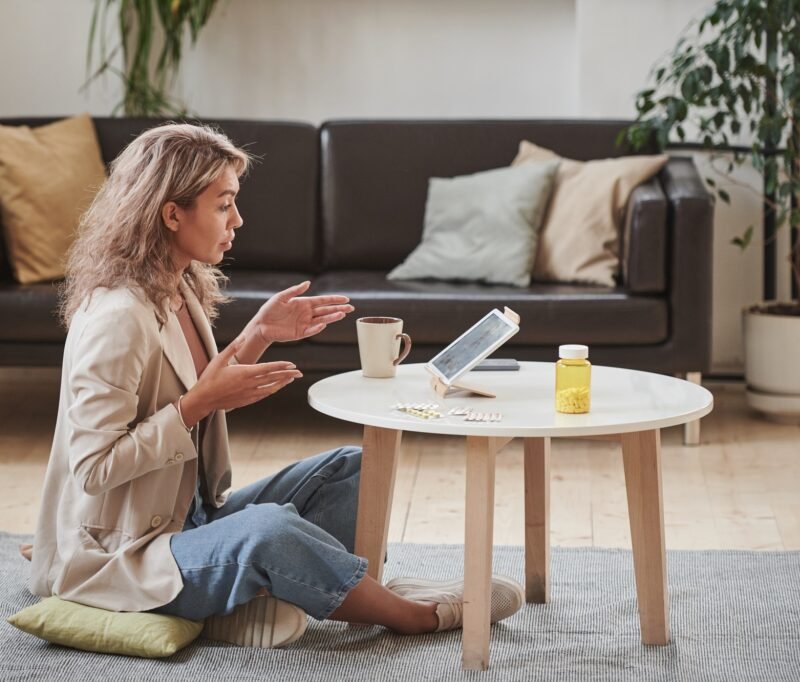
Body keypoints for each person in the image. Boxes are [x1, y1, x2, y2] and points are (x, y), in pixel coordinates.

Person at [26, 122, 524, 648]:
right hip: (121, 553)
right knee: (269, 531)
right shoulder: (118, 316)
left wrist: (259, 335)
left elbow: (199, 388)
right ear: (172, 213)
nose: (237, 220)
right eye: (223, 205)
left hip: (186, 519)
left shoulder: (177, 287)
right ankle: (408, 612)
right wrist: (195, 407)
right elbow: (94, 468)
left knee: (354, 469)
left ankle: (265, 594)